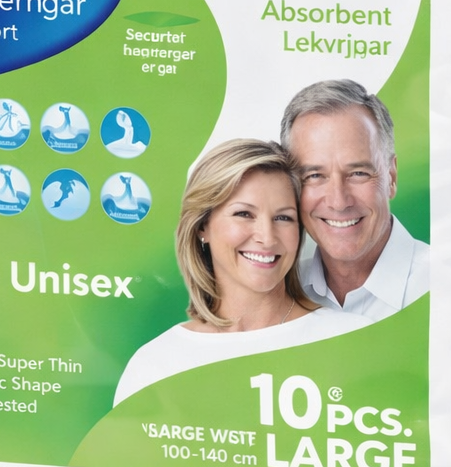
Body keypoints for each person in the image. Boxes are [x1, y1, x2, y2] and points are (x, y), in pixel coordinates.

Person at [113, 139, 368, 405]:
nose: (267, 238)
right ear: (202, 226)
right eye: (244, 214)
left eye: (283, 218)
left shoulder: (352, 341)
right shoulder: (155, 365)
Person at [280, 80, 429, 322]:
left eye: (358, 173)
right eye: (314, 176)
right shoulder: (279, 292)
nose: (338, 202)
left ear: (391, 177)